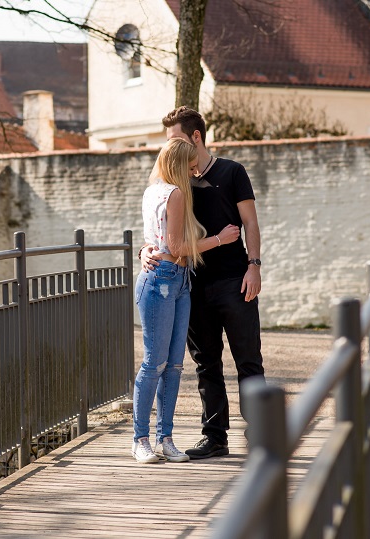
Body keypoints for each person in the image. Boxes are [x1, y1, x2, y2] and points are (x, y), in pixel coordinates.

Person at [141, 106, 265, 460]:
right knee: (205, 363)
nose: (170, 149)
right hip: (191, 284)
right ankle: (215, 437)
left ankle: (258, 437)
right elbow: (160, 228)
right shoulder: (176, 184)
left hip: (234, 280)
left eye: (176, 139)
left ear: (196, 137)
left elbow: (250, 224)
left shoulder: (232, 171)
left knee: (248, 361)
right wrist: (145, 250)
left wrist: (254, 266)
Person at [131, 137, 240, 463]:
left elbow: (157, 240)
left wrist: (143, 251)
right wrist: (220, 239)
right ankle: (141, 440)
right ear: (179, 164)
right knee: (155, 364)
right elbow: (176, 248)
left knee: (174, 366)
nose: (195, 170)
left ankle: (166, 438)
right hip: (163, 280)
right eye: (191, 165)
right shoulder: (175, 193)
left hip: (177, 281)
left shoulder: (154, 189)